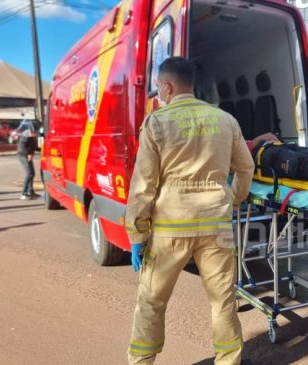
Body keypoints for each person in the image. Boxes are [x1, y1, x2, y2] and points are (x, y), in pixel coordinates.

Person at [124, 57, 254, 365]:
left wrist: (137, 234)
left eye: (158, 88)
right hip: (216, 228)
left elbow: (143, 186)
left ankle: (142, 362)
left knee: (152, 301)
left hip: (171, 229)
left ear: (167, 86)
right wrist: (232, 200)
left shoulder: (157, 122)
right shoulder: (225, 120)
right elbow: (245, 169)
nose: (158, 94)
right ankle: (228, 361)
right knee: (222, 302)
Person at [17, 127, 39, 200]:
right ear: (29, 132)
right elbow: (21, 149)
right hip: (23, 156)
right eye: (33, 133)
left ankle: (31, 192)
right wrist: (28, 154)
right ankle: (23, 193)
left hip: (28, 156)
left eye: (35, 133)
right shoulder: (24, 138)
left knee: (32, 173)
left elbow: (34, 147)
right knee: (29, 173)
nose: (34, 134)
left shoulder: (32, 138)